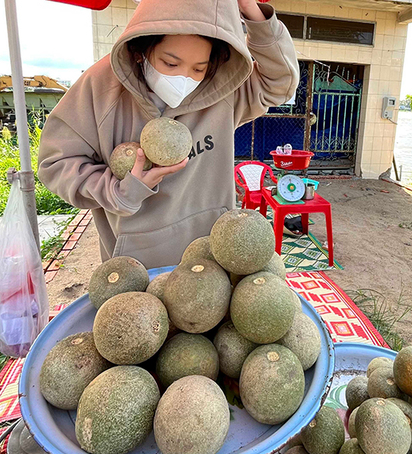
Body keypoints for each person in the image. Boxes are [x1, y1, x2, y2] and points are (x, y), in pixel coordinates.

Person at [38, 0, 298, 268]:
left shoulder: (219, 87)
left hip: (212, 260)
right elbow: (56, 164)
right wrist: (121, 191)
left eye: (198, 68)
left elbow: (280, 83)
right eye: (170, 64)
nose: (185, 78)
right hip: (136, 270)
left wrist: (253, 15)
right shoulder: (100, 87)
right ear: (141, 49)